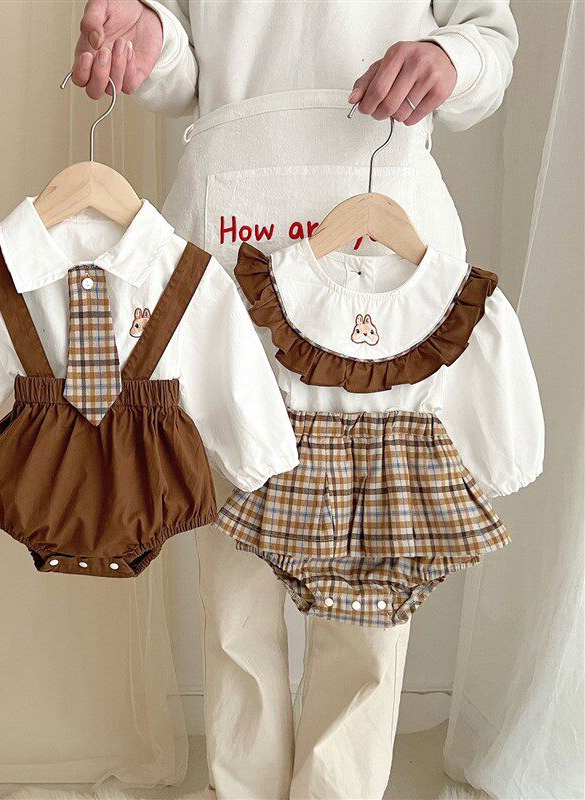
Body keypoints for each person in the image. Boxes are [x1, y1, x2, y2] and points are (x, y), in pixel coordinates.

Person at [69, 3, 518, 798]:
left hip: (381, 237)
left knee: (372, 562)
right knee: (233, 574)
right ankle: (241, 787)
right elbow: (187, 71)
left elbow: (489, 39)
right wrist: (151, 38)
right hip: (230, 227)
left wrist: (451, 60)